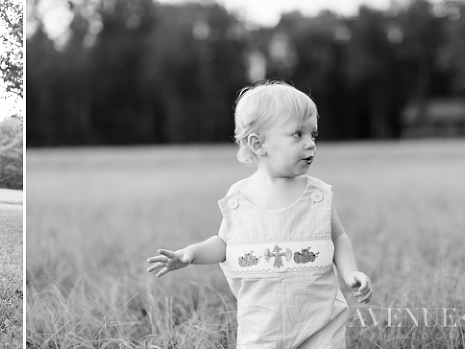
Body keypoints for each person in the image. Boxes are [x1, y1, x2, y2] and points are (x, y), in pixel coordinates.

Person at [146, 81, 373, 348]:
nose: (310, 144)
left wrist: (350, 272)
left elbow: (339, 238)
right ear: (258, 143)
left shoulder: (317, 196)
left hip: (320, 324)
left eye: (313, 134)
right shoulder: (240, 199)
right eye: (297, 134)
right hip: (263, 328)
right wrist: (191, 254)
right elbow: (223, 245)